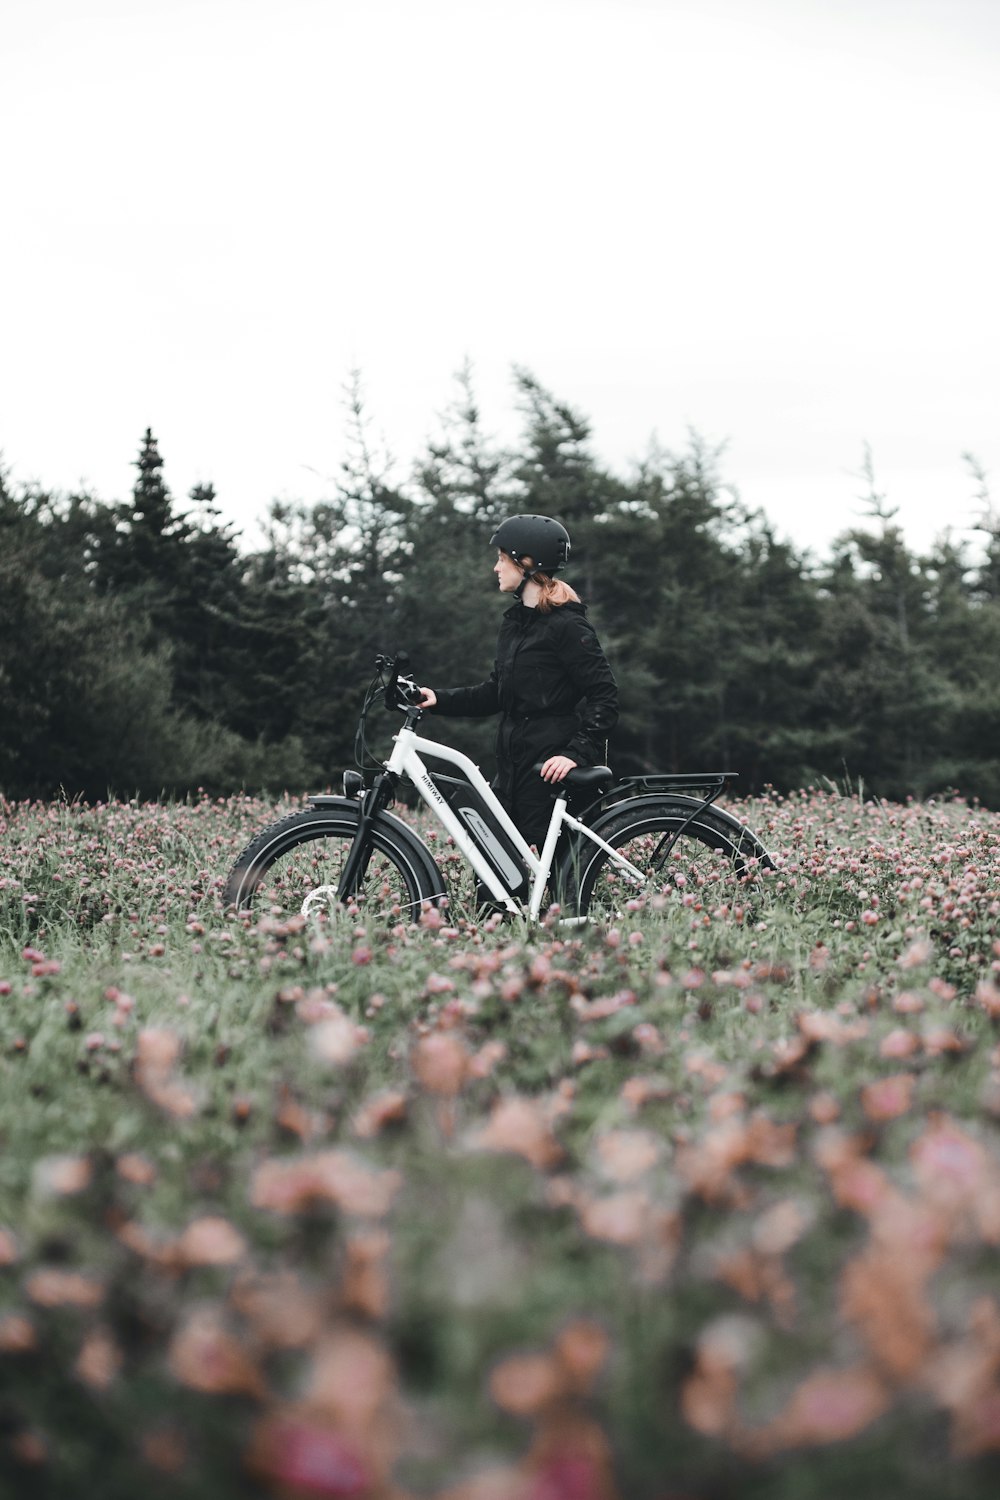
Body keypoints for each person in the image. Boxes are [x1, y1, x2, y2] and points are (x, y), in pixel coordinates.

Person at [417, 514, 618, 851]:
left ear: (527, 563)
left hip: (549, 770)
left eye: (501, 558)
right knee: (496, 870)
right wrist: (437, 698)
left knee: (555, 881)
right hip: (512, 767)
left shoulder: (567, 625)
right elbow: (497, 692)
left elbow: (604, 696)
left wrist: (574, 753)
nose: (496, 567)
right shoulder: (516, 624)